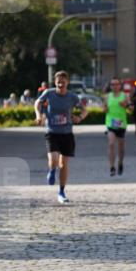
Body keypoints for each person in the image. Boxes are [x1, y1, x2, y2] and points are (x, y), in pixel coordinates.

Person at [34, 70, 87, 204]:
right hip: (52, 132)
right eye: (58, 81)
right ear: (55, 83)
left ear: (67, 83)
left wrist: (79, 117)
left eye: (63, 81)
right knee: (54, 161)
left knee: (64, 164)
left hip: (67, 133)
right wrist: (38, 115)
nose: (61, 84)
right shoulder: (49, 93)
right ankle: (52, 170)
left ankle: (61, 192)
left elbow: (85, 110)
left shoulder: (72, 97)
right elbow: (37, 103)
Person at [105, 77, 129, 177]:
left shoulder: (125, 96)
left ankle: (120, 163)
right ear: (110, 86)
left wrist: (125, 105)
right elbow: (105, 108)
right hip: (110, 123)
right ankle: (111, 167)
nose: (114, 86)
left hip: (121, 123)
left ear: (120, 85)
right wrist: (104, 108)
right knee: (111, 144)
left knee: (121, 148)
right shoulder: (107, 96)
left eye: (116, 84)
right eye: (112, 84)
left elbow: (130, 108)